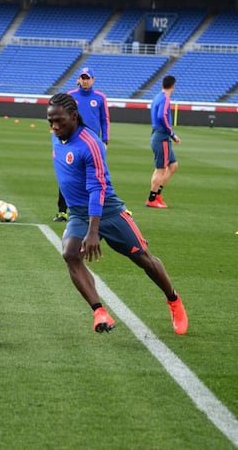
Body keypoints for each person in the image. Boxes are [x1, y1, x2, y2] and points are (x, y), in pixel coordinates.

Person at [47, 93, 188, 335]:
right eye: (50, 121)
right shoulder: (58, 136)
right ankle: (99, 311)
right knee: (70, 254)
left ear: (73, 116)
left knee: (144, 259)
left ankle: (173, 300)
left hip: (108, 211)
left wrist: (93, 232)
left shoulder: (90, 144)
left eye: (58, 121)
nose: (54, 126)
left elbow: (97, 189)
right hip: (80, 214)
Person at [53, 67, 110, 222]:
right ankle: (62, 211)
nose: (85, 81)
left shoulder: (100, 97)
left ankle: (98, 211)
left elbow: (105, 120)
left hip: (93, 146)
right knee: (68, 175)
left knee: (96, 178)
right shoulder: (70, 96)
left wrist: (104, 140)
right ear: (78, 79)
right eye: (82, 78)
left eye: (87, 78)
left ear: (93, 80)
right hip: (73, 142)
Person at [146, 75, 180, 209]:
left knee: (173, 165)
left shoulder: (157, 97)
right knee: (160, 169)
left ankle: (157, 194)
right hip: (162, 136)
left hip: (158, 134)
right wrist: (172, 134)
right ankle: (152, 199)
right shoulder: (165, 98)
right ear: (173, 86)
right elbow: (162, 116)